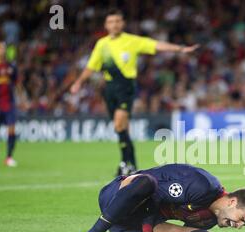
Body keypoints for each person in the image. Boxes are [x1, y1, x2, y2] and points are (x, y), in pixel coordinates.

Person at [70, 9, 199, 176]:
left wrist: (180, 49)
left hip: (126, 87)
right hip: (109, 88)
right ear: (106, 25)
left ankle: (126, 163)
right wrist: (78, 82)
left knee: (119, 123)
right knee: (121, 129)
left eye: (117, 21)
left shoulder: (132, 41)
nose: (114, 25)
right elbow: (91, 66)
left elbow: (156, 45)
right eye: (111, 22)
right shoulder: (102, 44)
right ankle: (129, 162)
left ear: (122, 23)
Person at [69, 164, 245, 232]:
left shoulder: (210, 219)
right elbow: (154, 196)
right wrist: (146, 231)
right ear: (232, 202)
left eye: (243, 225)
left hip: (130, 224)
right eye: (242, 219)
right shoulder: (203, 186)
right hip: (119, 197)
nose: (238, 226)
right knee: (146, 183)